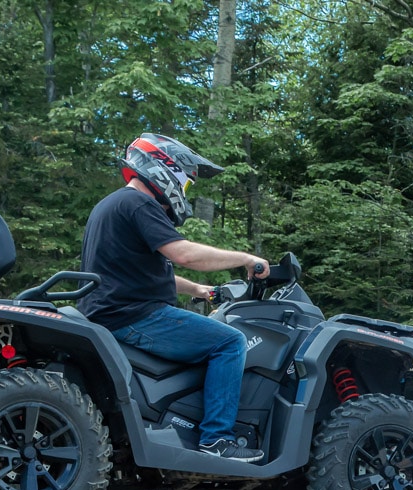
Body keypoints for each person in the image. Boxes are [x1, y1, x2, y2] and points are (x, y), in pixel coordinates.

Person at [79, 133, 270, 463]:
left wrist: (199, 290)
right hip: (132, 315)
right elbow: (184, 254)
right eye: (185, 183)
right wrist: (246, 258)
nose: (183, 192)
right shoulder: (140, 203)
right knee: (230, 342)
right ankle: (217, 440)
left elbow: (146, 270)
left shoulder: (112, 204)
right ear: (165, 168)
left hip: (112, 310)